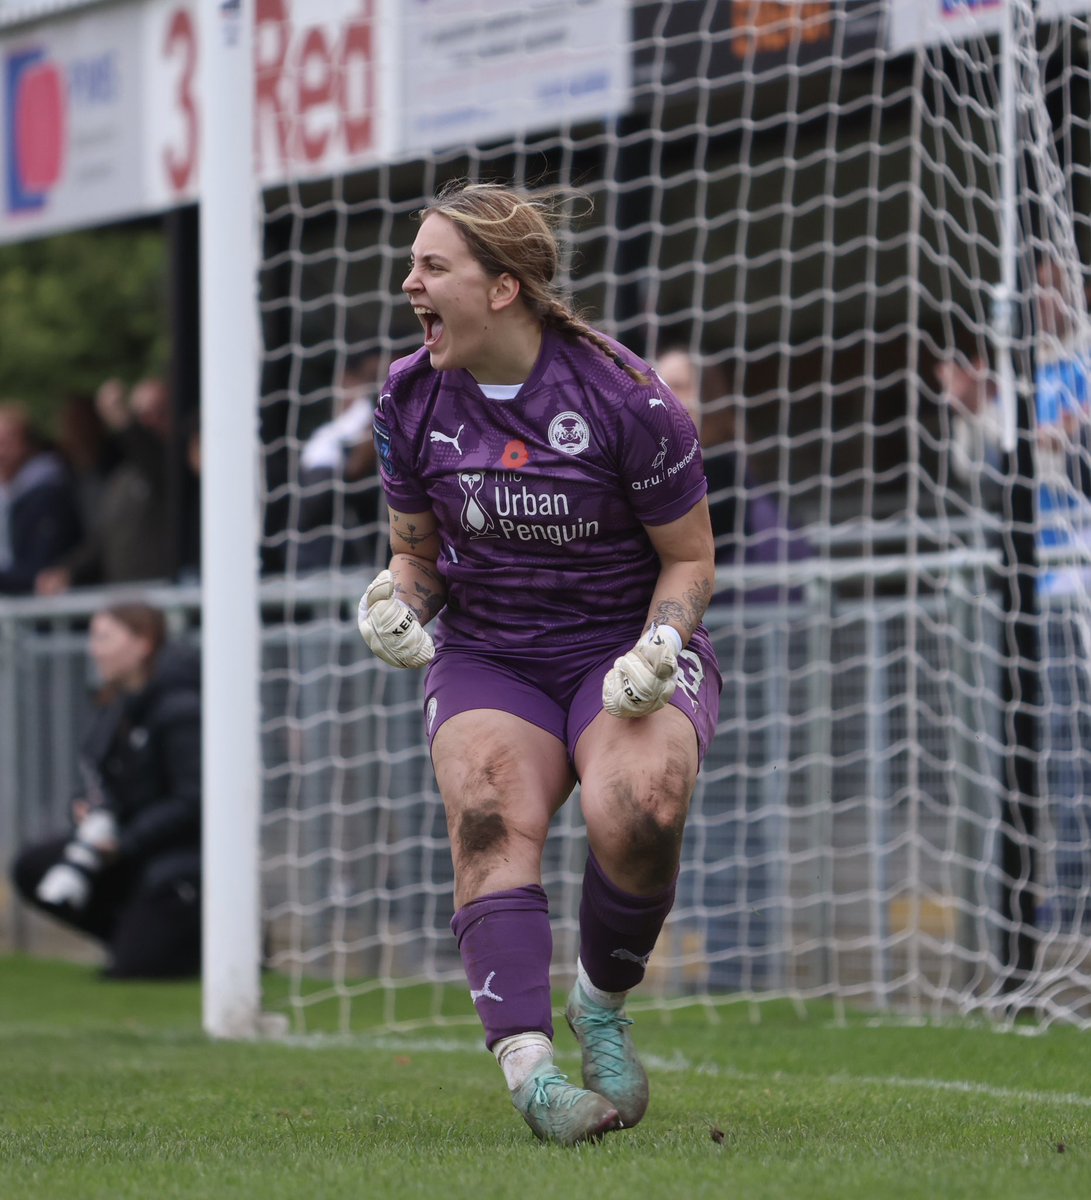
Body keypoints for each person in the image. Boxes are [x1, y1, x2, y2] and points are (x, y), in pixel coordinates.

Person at [355, 181, 722, 1145]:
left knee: (640, 810)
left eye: (432, 267)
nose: (410, 284)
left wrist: (660, 644)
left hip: (620, 647)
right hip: (493, 654)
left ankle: (599, 1005)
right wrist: (396, 605)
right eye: (411, 265)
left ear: (503, 287)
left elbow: (690, 558)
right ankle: (532, 1075)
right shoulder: (406, 396)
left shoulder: (627, 396)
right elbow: (416, 555)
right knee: (487, 816)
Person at [11, 602, 202, 979]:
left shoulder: (181, 708)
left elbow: (192, 801)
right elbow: (105, 782)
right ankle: (136, 933)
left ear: (143, 644)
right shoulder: (117, 705)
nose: (94, 650)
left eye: (104, 638)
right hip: (131, 850)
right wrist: (85, 809)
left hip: (176, 859)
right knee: (34, 866)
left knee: (133, 969)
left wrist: (124, 842)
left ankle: (181, 940)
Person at [35, 376, 174, 595]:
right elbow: (103, 538)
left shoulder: (180, 469)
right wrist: (67, 571)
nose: (146, 422)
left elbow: (158, 469)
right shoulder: (122, 476)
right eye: (139, 416)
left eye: (158, 412)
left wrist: (124, 421)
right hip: (126, 598)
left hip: (168, 598)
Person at [295, 351, 383, 571]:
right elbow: (315, 502)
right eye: (371, 378)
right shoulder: (328, 439)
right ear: (346, 380)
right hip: (322, 561)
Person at [0, 402, 83, 594]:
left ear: (27, 443)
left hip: (38, 602)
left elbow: (42, 567)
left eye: (7, 441)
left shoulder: (49, 493)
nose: (1, 450)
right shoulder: (6, 495)